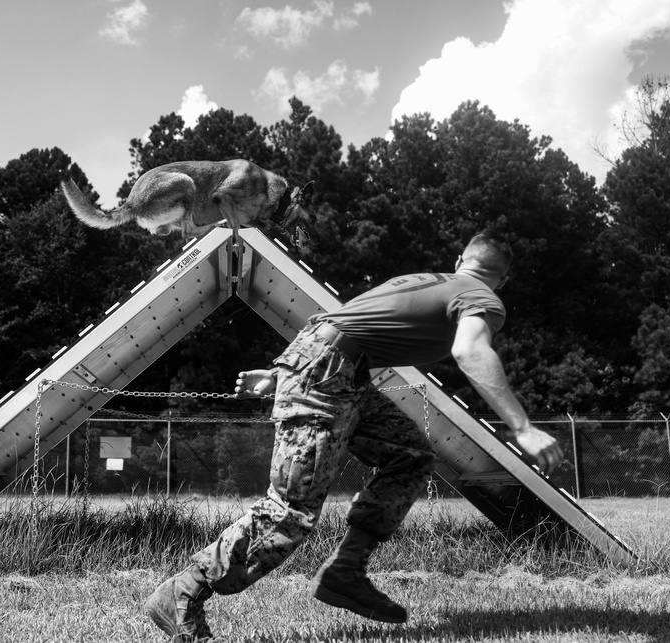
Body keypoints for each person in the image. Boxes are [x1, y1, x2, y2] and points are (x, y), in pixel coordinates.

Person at [145, 231, 564, 641]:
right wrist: (523, 427)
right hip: (329, 373)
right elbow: (470, 350)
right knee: (291, 508)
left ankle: (345, 570)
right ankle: (183, 590)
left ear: (459, 261)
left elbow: (346, 324)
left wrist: (287, 372)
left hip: (334, 369)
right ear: (503, 279)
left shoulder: (420, 281)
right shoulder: (481, 296)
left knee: (410, 456)